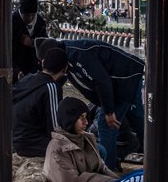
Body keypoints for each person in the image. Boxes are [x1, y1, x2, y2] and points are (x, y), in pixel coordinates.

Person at [38, 37, 145, 171]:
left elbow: (102, 82)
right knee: (137, 119)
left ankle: (108, 168)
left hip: (125, 78)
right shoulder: (67, 59)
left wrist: (109, 111)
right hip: (120, 81)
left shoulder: (78, 55)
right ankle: (151, 150)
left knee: (106, 124)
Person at [44, 98, 144, 182]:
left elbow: (102, 168)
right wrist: (109, 181)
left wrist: (118, 181)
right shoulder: (57, 148)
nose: (86, 122)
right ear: (69, 120)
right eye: (81, 118)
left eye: (86, 117)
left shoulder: (86, 138)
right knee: (142, 180)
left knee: (145, 172)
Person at [12, 47, 68, 158]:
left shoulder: (26, 79)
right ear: (65, 69)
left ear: (42, 62)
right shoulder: (51, 87)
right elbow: (55, 126)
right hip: (34, 144)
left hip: (15, 140)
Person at [11, 0, 47, 81]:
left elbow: (44, 44)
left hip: (34, 69)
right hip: (16, 67)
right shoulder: (12, 21)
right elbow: (7, 51)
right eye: (26, 15)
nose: (30, 18)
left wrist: (32, 42)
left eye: (32, 15)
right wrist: (16, 71)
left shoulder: (40, 22)